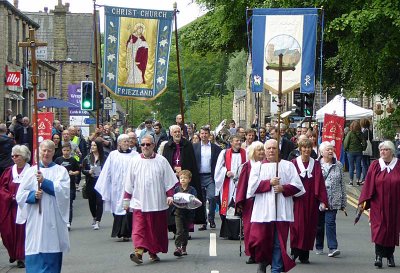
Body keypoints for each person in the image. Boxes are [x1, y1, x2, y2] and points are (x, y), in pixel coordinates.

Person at [247, 139, 305, 273]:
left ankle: (276, 269)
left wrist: (283, 188)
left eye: (274, 148)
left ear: (278, 150)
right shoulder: (258, 166)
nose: (271, 151)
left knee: (279, 243)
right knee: (261, 241)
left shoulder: (288, 165)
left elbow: (299, 187)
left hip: (282, 212)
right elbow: (251, 189)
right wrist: (269, 183)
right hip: (263, 211)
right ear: (264, 151)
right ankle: (263, 262)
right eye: (268, 149)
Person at [16, 140, 70, 273]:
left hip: (53, 220)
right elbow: (20, 195)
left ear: (53, 152)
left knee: (52, 249)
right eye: (44, 150)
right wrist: (33, 196)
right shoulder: (31, 172)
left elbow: (63, 192)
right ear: (39, 152)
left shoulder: (60, 171)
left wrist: (44, 182)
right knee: (35, 248)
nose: (46, 153)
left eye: (49, 150)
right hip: (35, 220)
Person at [123, 135, 178, 264]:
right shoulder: (134, 161)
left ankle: (153, 252)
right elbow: (128, 182)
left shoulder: (161, 161)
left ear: (153, 145)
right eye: (143, 145)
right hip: (139, 202)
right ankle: (138, 253)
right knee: (139, 229)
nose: (145, 147)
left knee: (155, 230)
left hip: (157, 202)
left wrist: (170, 195)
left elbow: (169, 181)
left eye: (148, 144)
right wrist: (126, 200)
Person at [358, 140, 400, 268]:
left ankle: (390, 256)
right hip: (378, 204)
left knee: (391, 229)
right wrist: (363, 201)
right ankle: (379, 256)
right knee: (379, 229)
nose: (382, 151)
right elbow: (368, 184)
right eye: (381, 149)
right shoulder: (375, 165)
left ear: (392, 152)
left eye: (386, 149)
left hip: (395, 205)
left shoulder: (398, 166)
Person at [290, 138, 328, 263]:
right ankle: (294, 251)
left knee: (309, 227)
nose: (306, 150)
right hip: (297, 199)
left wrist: (323, 200)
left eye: (308, 147)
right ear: (300, 149)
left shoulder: (315, 164)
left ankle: (304, 254)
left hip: (311, 200)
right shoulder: (294, 163)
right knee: (296, 226)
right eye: (304, 147)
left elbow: (320, 183)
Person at [95, 134, 138, 240]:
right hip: (116, 187)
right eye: (124, 141)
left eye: (128, 141)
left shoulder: (135, 155)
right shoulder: (113, 155)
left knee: (129, 209)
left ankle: (127, 233)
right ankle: (120, 232)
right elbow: (107, 171)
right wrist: (105, 185)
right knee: (118, 208)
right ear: (119, 143)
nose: (127, 143)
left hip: (131, 187)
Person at [162, 125, 205, 230]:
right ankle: (174, 227)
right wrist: (173, 171)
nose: (177, 134)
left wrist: (183, 170)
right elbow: (165, 163)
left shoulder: (187, 145)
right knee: (173, 202)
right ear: (171, 133)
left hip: (185, 178)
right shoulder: (167, 146)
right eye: (175, 132)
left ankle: (187, 227)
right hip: (172, 178)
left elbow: (191, 162)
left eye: (178, 132)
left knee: (186, 202)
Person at [0, 145, 31, 268]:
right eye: (13, 156)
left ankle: (21, 257)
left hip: (25, 206)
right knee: (7, 232)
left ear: (23, 157)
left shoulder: (31, 171)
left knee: (22, 232)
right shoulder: (8, 171)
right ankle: (12, 252)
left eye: (16, 156)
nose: (14, 158)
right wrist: (9, 196)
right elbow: (2, 188)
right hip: (11, 206)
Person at [235, 141, 265, 264]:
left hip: (263, 201)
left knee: (261, 229)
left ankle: (261, 253)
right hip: (250, 202)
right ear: (253, 152)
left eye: (263, 150)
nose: (262, 152)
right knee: (250, 229)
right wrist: (240, 203)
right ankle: (252, 254)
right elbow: (242, 185)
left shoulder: (267, 165)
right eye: (259, 150)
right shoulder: (247, 166)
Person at [315, 141, 346, 257]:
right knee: (319, 225)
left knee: (330, 222)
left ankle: (333, 247)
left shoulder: (338, 165)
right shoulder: (316, 164)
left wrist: (343, 201)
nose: (330, 151)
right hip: (319, 199)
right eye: (327, 149)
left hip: (333, 199)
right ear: (321, 152)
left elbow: (342, 183)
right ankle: (319, 245)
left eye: (331, 149)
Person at [214, 134, 246, 239]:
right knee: (227, 206)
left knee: (239, 205)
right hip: (228, 183)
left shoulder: (245, 153)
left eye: (240, 140)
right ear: (231, 142)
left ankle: (239, 231)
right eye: (236, 140)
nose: (238, 142)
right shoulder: (224, 153)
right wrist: (226, 172)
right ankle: (228, 231)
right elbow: (219, 168)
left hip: (240, 183)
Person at [193, 126, 222, 230]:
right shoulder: (194, 147)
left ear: (209, 135)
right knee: (201, 199)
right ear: (199, 135)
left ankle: (211, 219)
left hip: (210, 176)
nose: (204, 135)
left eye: (206, 133)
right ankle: (203, 221)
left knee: (212, 197)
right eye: (202, 133)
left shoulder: (216, 148)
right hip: (199, 176)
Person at [82, 138, 107, 230]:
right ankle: (94, 216)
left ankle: (98, 221)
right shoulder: (87, 157)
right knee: (91, 201)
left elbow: (108, 169)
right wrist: (88, 172)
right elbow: (83, 169)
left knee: (99, 201)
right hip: (91, 181)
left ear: (99, 146)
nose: (92, 147)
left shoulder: (104, 157)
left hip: (100, 181)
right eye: (92, 145)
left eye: (95, 145)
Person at [55, 143, 80, 230]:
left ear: (70, 151)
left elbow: (78, 171)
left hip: (70, 185)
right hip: (60, 185)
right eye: (64, 150)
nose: (66, 152)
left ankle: (68, 222)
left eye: (68, 150)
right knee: (60, 203)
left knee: (69, 204)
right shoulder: (58, 160)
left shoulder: (73, 160)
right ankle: (61, 221)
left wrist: (73, 173)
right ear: (62, 151)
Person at [172, 170, 197, 257]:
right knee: (179, 230)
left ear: (189, 179)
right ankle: (177, 247)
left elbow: (194, 200)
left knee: (186, 231)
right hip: (178, 212)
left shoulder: (192, 190)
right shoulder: (176, 189)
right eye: (181, 178)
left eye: (185, 178)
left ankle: (184, 247)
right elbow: (173, 199)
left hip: (188, 213)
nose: (183, 180)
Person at [344, 120, 366, 186]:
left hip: (350, 152)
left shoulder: (350, 133)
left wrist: (346, 149)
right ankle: (358, 180)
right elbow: (364, 143)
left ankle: (351, 181)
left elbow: (346, 142)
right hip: (359, 152)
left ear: (351, 126)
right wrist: (362, 149)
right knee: (358, 166)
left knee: (351, 166)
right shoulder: (361, 133)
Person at [360, 118, 373, 184]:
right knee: (367, 163)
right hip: (368, 149)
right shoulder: (369, 131)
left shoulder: (365, 131)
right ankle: (368, 178)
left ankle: (365, 178)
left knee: (364, 164)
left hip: (365, 149)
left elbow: (363, 140)